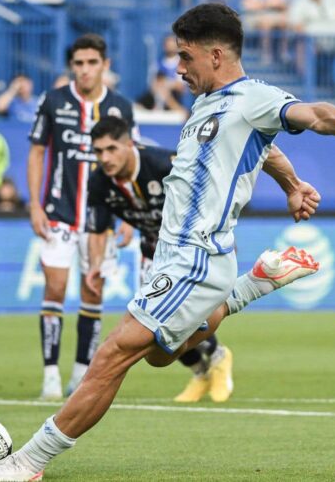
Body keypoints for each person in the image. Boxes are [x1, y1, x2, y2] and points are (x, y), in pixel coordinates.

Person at [0, 3, 335, 481]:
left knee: (114, 353)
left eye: (185, 56)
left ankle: (28, 462)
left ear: (216, 55)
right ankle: (250, 285)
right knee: (158, 355)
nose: (177, 68)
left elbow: (314, 114)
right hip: (176, 259)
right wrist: (292, 184)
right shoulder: (208, 104)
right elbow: (266, 148)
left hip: (195, 257)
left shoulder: (254, 96)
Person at [84, 117, 320, 403]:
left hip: (195, 251)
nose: (105, 158)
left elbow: (212, 195)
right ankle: (202, 370)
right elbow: (97, 230)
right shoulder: (98, 182)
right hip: (154, 256)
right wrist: (95, 266)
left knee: (161, 335)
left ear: (130, 144)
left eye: (111, 149)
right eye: (98, 152)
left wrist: (222, 241)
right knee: (157, 348)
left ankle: (219, 356)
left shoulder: (163, 165)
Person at [27, 33, 137, 400]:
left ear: (105, 65)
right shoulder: (53, 101)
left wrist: (129, 215)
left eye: (92, 63)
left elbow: (129, 163)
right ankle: (49, 377)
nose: (85, 70)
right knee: (54, 289)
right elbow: (37, 152)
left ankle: (78, 376)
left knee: (93, 291)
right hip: (59, 214)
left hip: (101, 220)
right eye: (79, 63)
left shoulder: (121, 107)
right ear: (71, 67)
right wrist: (34, 204)